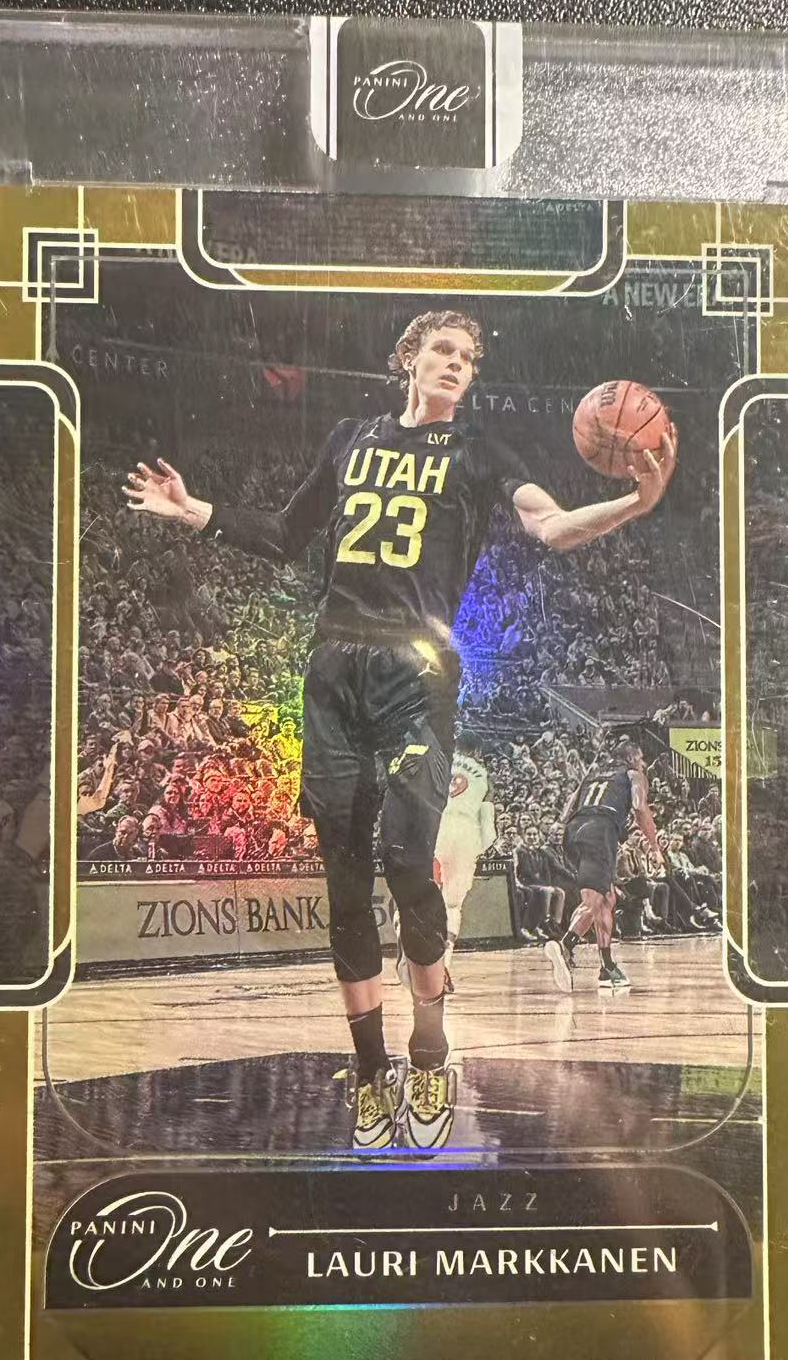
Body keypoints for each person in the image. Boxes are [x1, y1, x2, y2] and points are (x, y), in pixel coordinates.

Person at [124, 309, 676, 1151]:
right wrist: (196, 510)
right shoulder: (351, 439)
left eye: (469, 358)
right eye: (443, 350)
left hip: (416, 674)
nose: (457, 364)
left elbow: (551, 526)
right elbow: (285, 535)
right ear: (408, 359)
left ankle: (429, 1045)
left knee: (408, 856)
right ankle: (371, 1068)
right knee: (344, 883)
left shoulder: (480, 451)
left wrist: (634, 502)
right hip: (334, 668)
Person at [544, 740, 662, 994]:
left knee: (605, 898)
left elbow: (566, 812)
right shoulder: (633, 775)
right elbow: (640, 807)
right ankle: (568, 947)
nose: (643, 763)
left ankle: (604, 966)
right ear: (631, 758)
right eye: (640, 758)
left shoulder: (591, 776)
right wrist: (654, 847)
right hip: (599, 830)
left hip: (573, 832)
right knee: (597, 900)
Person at [401, 730, 496, 992]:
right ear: (477, 751)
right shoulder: (485, 776)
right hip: (465, 834)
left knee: (423, 894)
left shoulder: (440, 762)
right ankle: (443, 967)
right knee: (453, 906)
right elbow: (489, 830)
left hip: (437, 826)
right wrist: (477, 848)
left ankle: (407, 942)